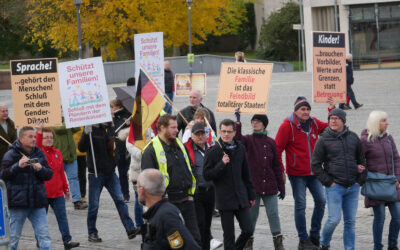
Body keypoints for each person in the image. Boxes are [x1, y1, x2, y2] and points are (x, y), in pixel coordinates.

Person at [275, 96, 335, 249]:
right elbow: (277, 149)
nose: (306, 112)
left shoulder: (314, 123)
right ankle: (303, 239)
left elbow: (332, 127)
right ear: (295, 111)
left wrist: (331, 109)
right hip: (296, 174)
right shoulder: (287, 126)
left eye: (308, 109)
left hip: (314, 173)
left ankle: (314, 234)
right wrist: (281, 170)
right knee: (300, 205)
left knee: (321, 201)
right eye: (302, 109)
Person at [312, 108, 367, 250]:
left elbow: (362, 160)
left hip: (353, 187)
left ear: (343, 120)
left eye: (337, 118)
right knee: (334, 220)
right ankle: (324, 243)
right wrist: (329, 182)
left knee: (350, 222)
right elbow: (315, 165)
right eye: (331, 118)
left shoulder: (353, 138)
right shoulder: (323, 139)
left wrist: (359, 181)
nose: (333, 121)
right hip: (335, 187)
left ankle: (349, 248)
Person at [141, 114, 201, 244]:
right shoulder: (151, 150)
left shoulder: (179, 144)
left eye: (177, 127)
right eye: (173, 127)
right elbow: (148, 182)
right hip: (167, 204)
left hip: (186, 200)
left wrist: (191, 194)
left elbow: (191, 167)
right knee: (173, 242)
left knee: (195, 240)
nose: (177, 130)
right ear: (162, 128)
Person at [78, 124, 139, 242]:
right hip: (96, 174)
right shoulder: (90, 129)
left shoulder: (110, 128)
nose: (111, 114)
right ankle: (92, 232)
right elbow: (81, 147)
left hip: (110, 173)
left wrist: (114, 160)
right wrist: (86, 133)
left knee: (120, 200)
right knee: (94, 205)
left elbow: (114, 148)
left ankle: (130, 228)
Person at [234, 111, 285, 250]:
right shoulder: (248, 139)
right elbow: (237, 139)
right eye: (253, 121)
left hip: (270, 186)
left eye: (258, 121)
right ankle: (248, 243)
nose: (254, 123)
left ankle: (278, 243)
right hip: (253, 187)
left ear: (264, 124)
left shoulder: (271, 142)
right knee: (252, 216)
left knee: (273, 214)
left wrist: (282, 186)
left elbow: (276, 165)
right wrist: (238, 123)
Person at [204, 119, 256, 250]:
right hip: (224, 199)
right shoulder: (213, 151)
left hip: (240, 197)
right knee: (229, 236)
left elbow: (246, 174)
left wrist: (251, 194)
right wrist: (221, 164)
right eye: (223, 131)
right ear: (220, 132)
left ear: (234, 132)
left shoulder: (240, 148)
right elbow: (207, 175)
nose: (226, 134)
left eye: (229, 131)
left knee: (248, 229)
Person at [1, 126, 53, 250]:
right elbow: (2, 176)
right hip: (18, 203)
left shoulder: (39, 153)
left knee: (44, 237)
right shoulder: (11, 154)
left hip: (38, 203)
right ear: (21, 139)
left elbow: (49, 174)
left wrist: (41, 169)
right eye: (30, 136)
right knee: (13, 238)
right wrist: (17, 166)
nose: (34, 139)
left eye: (34, 136)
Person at [35, 123, 80, 249]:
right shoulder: (39, 153)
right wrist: (39, 132)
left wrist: (66, 189)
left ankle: (67, 241)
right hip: (43, 193)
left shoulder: (57, 152)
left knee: (62, 218)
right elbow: (37, 146)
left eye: (51, 137)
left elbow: (60, 172)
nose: (49, 139)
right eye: (46, 137)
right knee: (40, 220)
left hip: (57, 193)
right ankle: (40, 240)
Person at [360, 111, 400, 250]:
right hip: (376, 185)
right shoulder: (365, 140)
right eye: (384, 120)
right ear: (376, 123)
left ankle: (393, 245)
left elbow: (396, 159)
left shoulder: (389, 138)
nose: (387, 123)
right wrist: (364, 176)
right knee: (380, 217)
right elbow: (359, 161)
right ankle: (378, 246)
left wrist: (398, 179)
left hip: (391, 184)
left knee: (398, 216)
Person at [138, 169, 201, 250]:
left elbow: (189, 247)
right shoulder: (156, 213)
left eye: (137, 186)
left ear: (142, 190)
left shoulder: (166, 215)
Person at [184, 122, 222, 250]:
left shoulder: (212, 148)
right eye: (197, 134)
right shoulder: (187, 149)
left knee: (207, 225)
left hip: (211, 191)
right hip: (197, 192)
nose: (200, 136)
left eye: (202, 133)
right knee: (200, 224)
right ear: (192, 136)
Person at [118, 125, 154, 234]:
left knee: (151, 198)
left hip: (149, 171)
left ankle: (150, 222)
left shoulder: (150, 135)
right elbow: (137, 155)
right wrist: (148, 145)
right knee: (140, 199)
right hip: (137, 173)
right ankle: (139, 224)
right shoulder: (130, 139)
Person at [53, 120, 87, 209]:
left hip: (71, 155)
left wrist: (72, 120)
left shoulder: (66, 120)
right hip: (58, 156)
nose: (60, 111)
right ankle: (55, 201)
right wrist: (71, 121)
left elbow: (77, 128)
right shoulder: (51, 121)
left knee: (74, 178)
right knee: (57, 179)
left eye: (61, 109)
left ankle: (77, 201)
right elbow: (59, 128)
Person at [110, 99, 132, 202]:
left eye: (112, 106)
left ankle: (125, 193)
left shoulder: (126, 115)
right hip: (114, 149)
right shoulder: (110, 117)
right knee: (118, 172)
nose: (110, 109)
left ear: (118, 107)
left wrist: (127, 123)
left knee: (123, 172)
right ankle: (122, 193)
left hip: (124, 149)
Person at [73, 127, 87, 202]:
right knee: (73, 176)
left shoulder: (83, 123)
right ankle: (75, 195)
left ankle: (82, 195)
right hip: (71, 153)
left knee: (82, 175)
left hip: (81, 153)